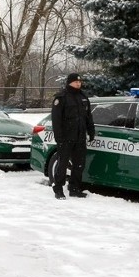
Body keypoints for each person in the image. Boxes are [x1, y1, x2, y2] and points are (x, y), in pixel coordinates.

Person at [51, 72, 95, 200]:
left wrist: (91, 131)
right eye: (76, 82)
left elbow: (88, 117)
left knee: (79, 164)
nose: (78, 83)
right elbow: (56, 120)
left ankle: (74, 188)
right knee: (63, 164)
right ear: (70, 82)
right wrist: (59, 138)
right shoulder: (62, 97)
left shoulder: (83, 97)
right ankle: (58, 189)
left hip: (80, 136)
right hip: (66, 137)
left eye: (80, 82)